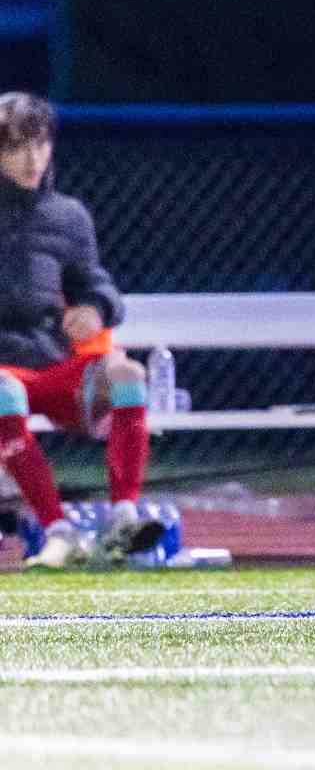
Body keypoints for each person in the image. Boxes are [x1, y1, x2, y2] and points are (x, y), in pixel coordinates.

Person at [0, 92, 161, 569]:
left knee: (128, 375)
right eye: (16, 147)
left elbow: (96, 283)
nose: (32, 159)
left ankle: (123, 520)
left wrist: (95, 307)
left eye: (40, 144)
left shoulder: (68, 216)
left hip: (57, 365)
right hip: (5, 372)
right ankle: (59, 531)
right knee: (3, 391)